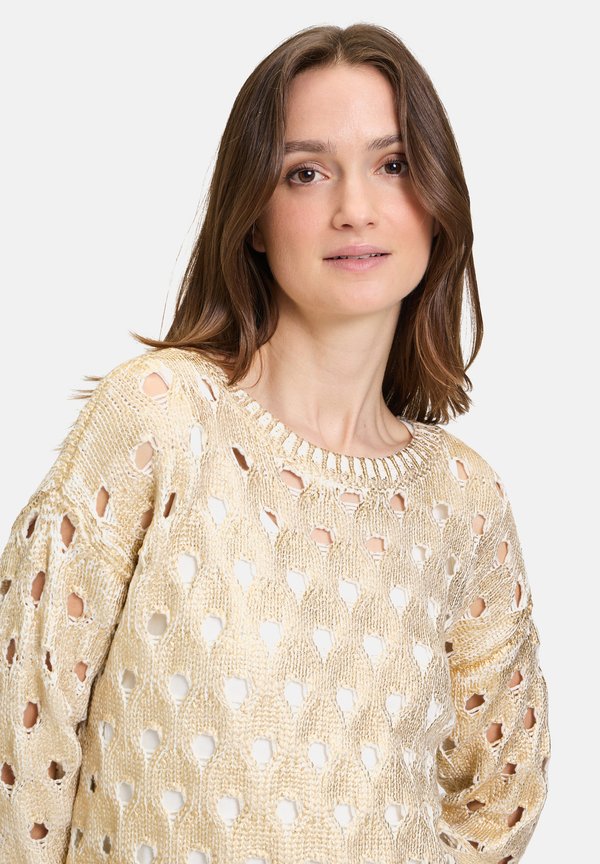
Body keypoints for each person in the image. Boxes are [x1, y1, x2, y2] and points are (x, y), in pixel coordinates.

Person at [0, 22, 550, 864]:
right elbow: (22, 732)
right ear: (253, 215)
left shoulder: (463, 501)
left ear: (439, 203)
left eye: (393, 164)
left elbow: (499, 799)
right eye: (306, 172)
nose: (355, 208)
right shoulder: (160, 420)